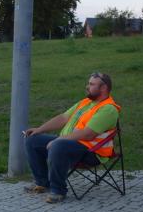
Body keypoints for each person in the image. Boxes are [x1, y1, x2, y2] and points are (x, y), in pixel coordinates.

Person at [23, 73, 120, 204]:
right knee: (32, 140)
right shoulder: (85, 102)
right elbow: (63, 118)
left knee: (58, 146)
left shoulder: (108, 109)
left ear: (103, 88)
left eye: (91, 84)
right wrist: (39, 129)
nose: (87, 87)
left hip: (92, 152)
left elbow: (88, 134)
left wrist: (58, 140)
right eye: (88, 83)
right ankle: (42, 182)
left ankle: (58, 191)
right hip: (70, 144)